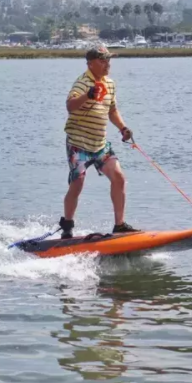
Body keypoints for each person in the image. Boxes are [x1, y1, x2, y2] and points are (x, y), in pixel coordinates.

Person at [59, 45, 139, 239]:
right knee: (78, 182)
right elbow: (70, 106)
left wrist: (123, 128)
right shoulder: (83, 83)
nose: (107, 64)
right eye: (103, 61)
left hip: (100, 144)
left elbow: (112, 110)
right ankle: (67, 227)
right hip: (78, 144)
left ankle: (119, 225)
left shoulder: (110, 84)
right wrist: (88, 95)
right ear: (91, 63)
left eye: (108, 60)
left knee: (119, 177)